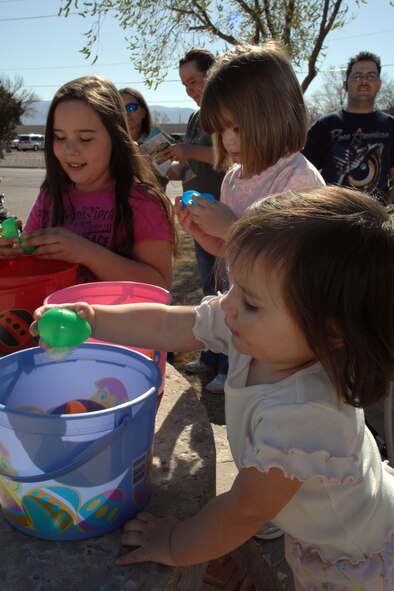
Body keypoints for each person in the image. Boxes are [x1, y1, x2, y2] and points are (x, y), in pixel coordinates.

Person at [32, 186, 394, 591]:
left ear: (331, 333)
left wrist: (173, 543)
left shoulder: (304, 415)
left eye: (252, 301)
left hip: (356, 560)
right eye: (234, 286)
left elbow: (242, 512)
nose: (228, 305)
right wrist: (94, 320)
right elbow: (169, 324)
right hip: (330, 526)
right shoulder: (253, 331)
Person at [0, 75, 175, 289]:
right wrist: (11, 251)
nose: (70, 150)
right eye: (60, 137)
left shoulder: (143, 202)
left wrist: (86, 253)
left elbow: (160, 285)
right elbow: (29, 262)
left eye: (85, 138)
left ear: (115, 138)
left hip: (118, 323)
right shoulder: (50, 197)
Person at [174, 42, 325, 259]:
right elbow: (231, 253)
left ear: (278, 114)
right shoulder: (233, 178)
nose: (228, 142)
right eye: (220, 130)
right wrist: (201, 232)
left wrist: (231, 228)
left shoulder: (298, 180)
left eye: (236, 128)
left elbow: (296, 266)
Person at [165, 48, 228, 394]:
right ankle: (210, 356)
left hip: (220, 217)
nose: (190, 88)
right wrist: (167, 164)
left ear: (213, 73)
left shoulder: (226, 114)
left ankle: (228, 366)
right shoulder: (194, 118)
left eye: (194, 80)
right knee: (209, 290)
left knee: (226, 292)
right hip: (196, 216)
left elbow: (229, 160)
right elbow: (188, 167)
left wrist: (188, 152)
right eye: (185, 84)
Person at [303, 51, 394, 204]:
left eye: (371, 76)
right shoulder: (325, 125)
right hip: (334, 219)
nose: (364, 81)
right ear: (345, 84)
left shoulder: (391, 126)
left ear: (379, 84)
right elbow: (303, 174)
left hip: (376, 221)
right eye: (357, 76)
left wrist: (386, 211)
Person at [119, 87, 168, 191]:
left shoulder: (157, 142)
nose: (126, 113)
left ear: (143, 112)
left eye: (131, 107)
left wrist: (147, 164)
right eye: (120, 109)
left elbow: (179, 174)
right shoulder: (110, 143)